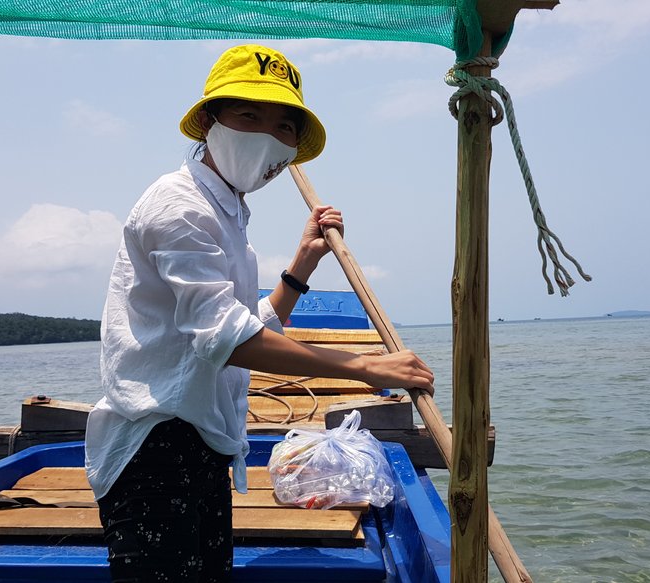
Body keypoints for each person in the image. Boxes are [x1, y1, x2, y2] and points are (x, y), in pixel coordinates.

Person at [85, 44, 435, 583]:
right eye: (249, 115)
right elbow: (229, 341)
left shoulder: (226, 211)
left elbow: (246, 324)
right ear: (208, 121)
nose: (269, 136)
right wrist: (366, 367)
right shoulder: (180, 208)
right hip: (152, 452)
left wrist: (301, 265)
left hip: (197, 441)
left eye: (284, 126)